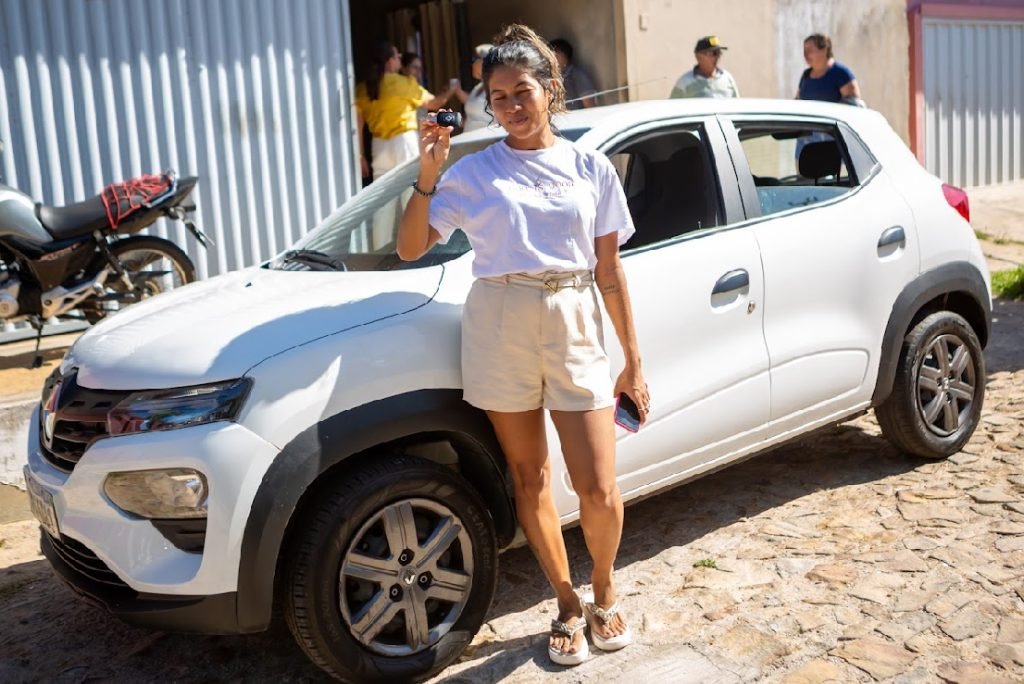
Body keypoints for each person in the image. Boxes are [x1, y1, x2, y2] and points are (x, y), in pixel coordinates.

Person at [397, 23, 649, 667]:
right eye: (499, 96)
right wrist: (428, 173)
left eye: (522, 91)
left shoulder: (590, 166)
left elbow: (610, 271)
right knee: (529, 477)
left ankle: (604, 589)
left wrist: (633, 362)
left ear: (550, 88)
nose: (511, 105)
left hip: (574, 317)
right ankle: (565, 603)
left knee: (598, 486)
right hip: (499, 320)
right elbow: (411, 247)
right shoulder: (474, 172)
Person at [355, 43, 456, 182]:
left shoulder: (361, 90)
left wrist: (360, 155)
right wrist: (452, 90)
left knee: (383, 190)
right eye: (398, 56)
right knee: (409, 185)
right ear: (390, 61)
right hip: (403, 141)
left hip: (378, 145)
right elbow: (434, 103)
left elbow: (358, 126)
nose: (399, 59)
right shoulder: (405, 83)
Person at [797, 33, 862, 104]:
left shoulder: (841, 73)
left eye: (810, 50)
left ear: (824, 50)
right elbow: (797, 102)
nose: (805, 54)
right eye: (804, 51)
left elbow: (854, 104)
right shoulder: (806, 75)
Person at [669, 35, 740, 99]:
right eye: (713, 53)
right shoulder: (685, 82)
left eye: (719, 53)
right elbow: (673, 106)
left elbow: (737, 105)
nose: (717, 57)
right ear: (698, 56)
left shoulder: (727, 78)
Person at [453, 43, 493, 132]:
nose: (471, 64)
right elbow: (472, 117)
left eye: (474, 59)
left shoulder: (495, 88)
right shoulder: (478, 87)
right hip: (471, 138)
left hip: (487, 138)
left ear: (484, 62)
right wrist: (446, 119)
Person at [549, 38, 597, 109]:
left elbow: (590, 106)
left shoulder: (577, 75)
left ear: (564, 56)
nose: (550, 59)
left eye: (555, 55)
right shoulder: (552, 77)